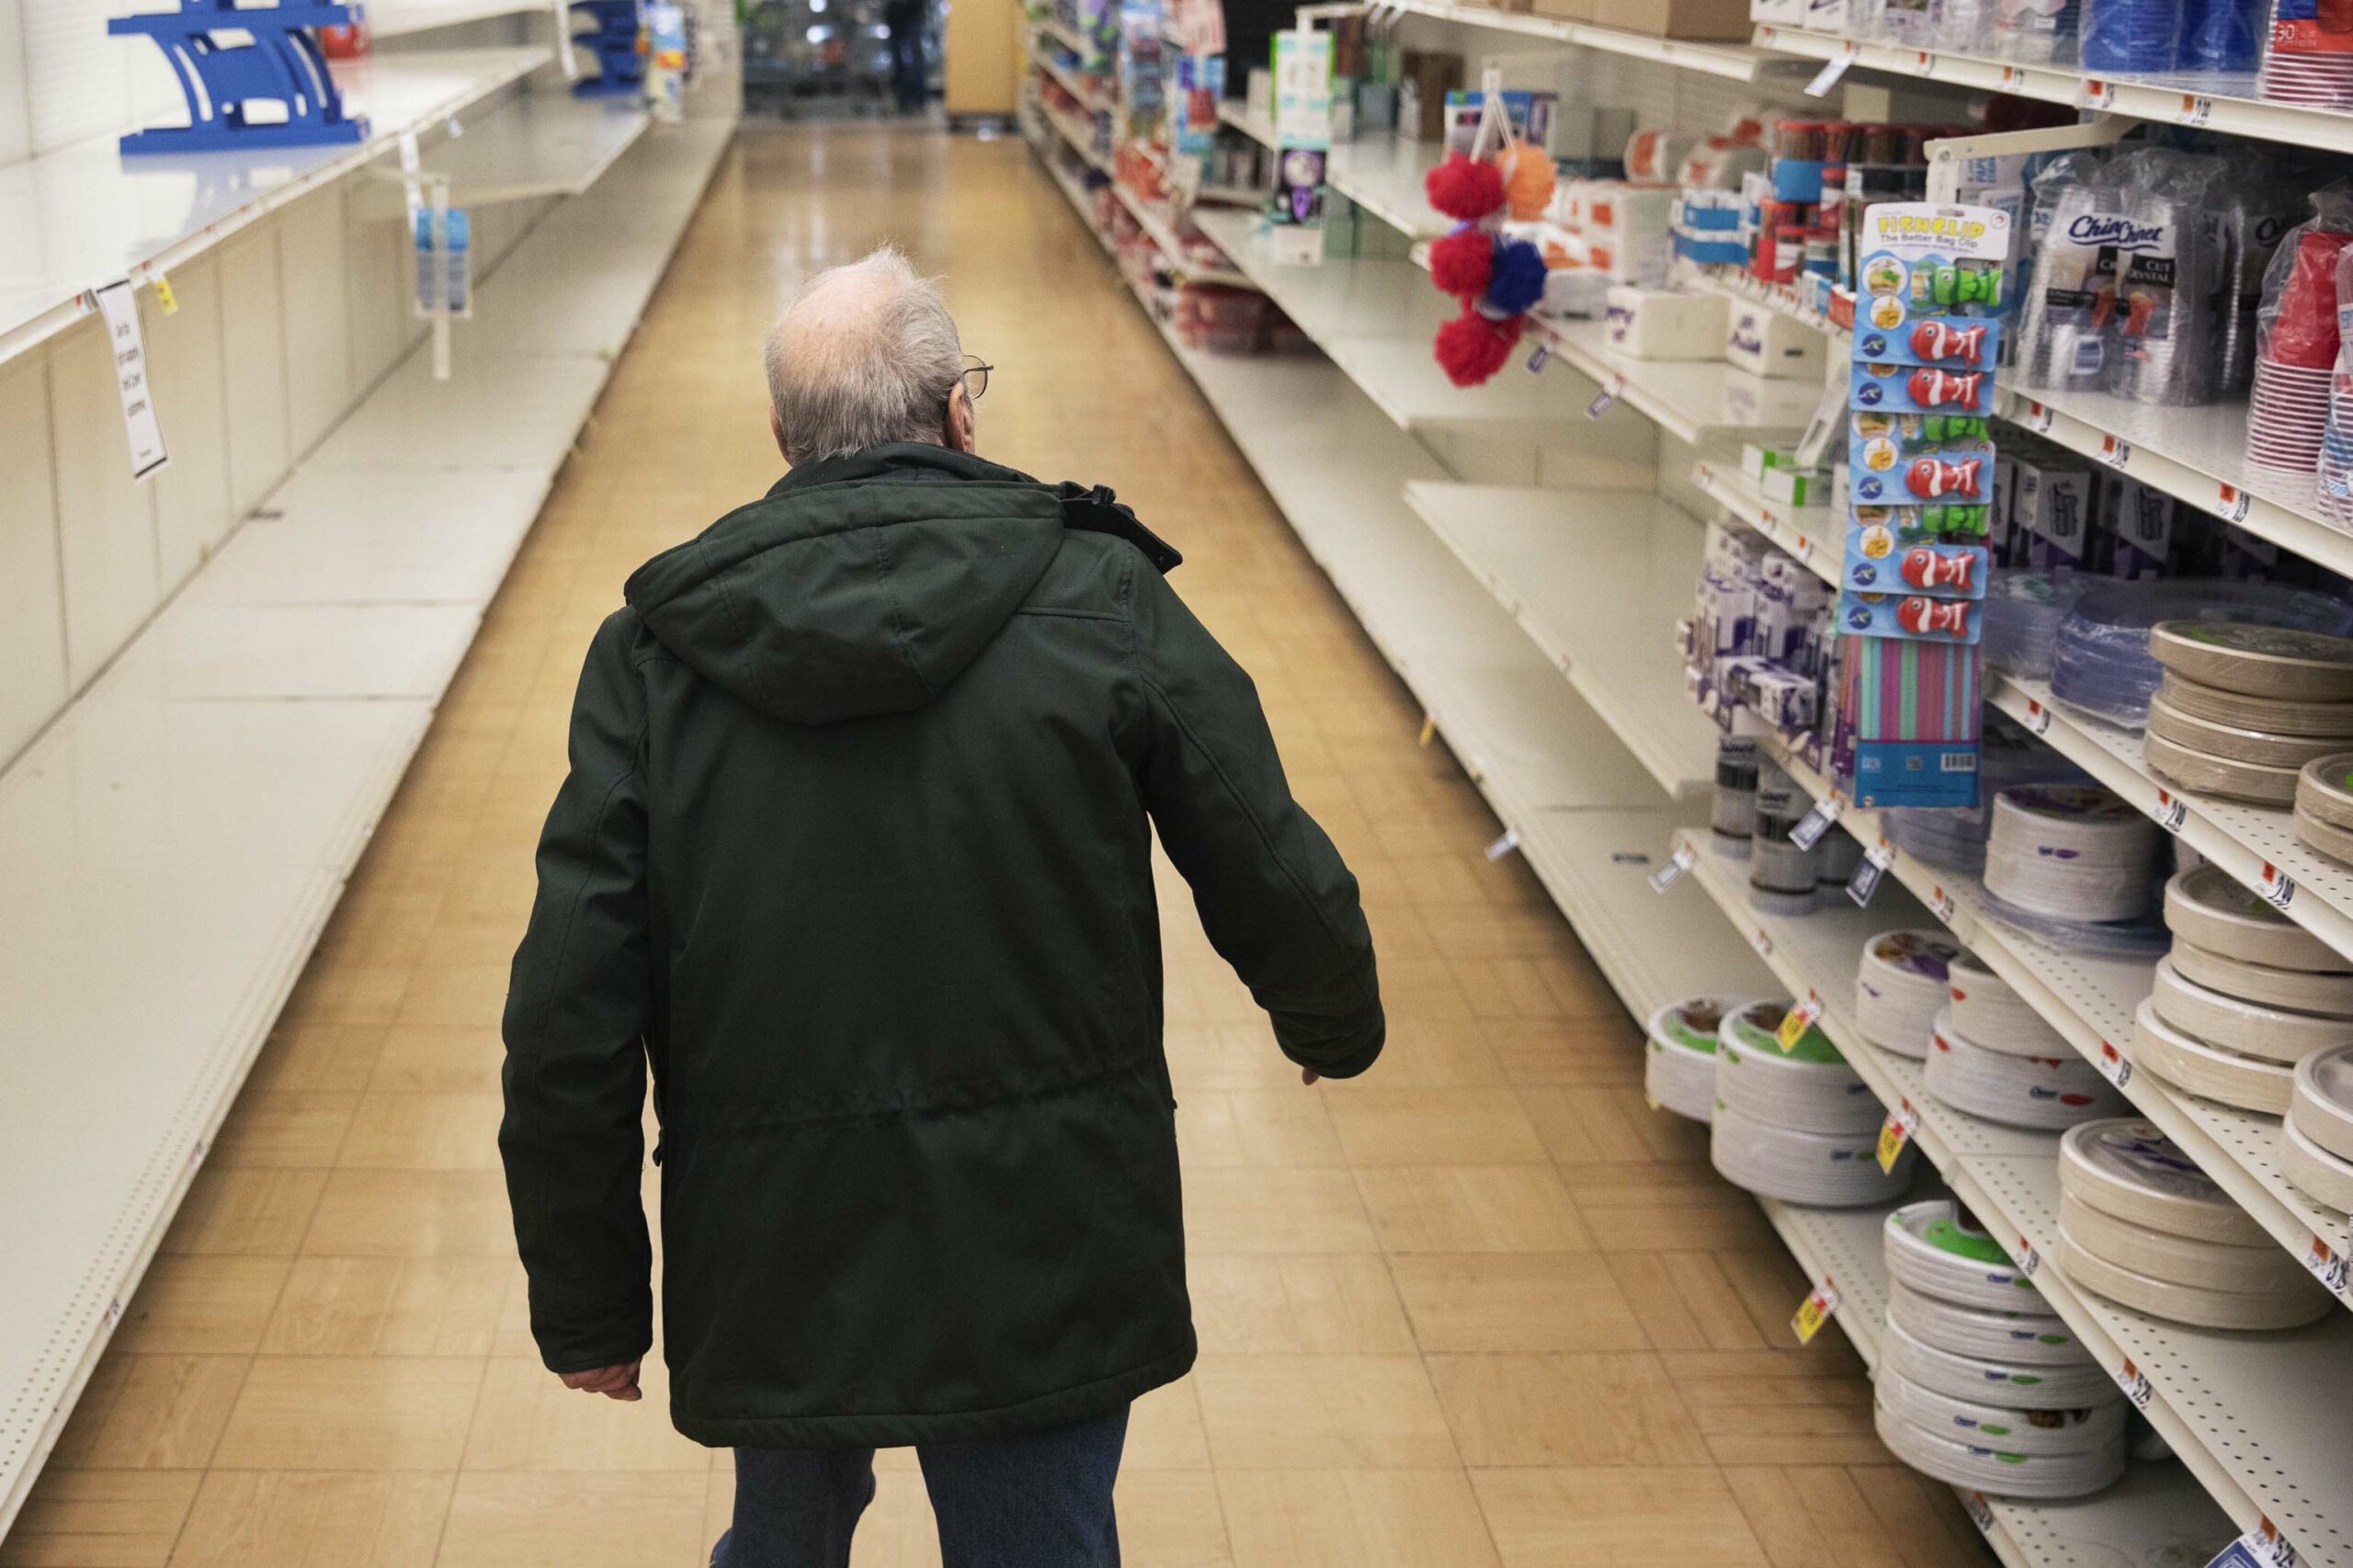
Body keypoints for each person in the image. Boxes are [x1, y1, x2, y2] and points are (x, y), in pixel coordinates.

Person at [498, 245, 1384, 1568]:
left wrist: (589, 1299)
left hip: (775, 1232)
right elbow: (1259, 841)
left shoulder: (658, 654)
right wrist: (1329, 1016)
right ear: (960, 413)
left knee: (784, 1533)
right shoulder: (1100, 597)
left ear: (786, 439)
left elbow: (571, 998)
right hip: (1047, 1232)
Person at [881, 0, 926, 115]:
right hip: (894, 15)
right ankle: (902, 100)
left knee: (916, 58)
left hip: (913, 12)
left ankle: (919, 100)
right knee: (897, 59)